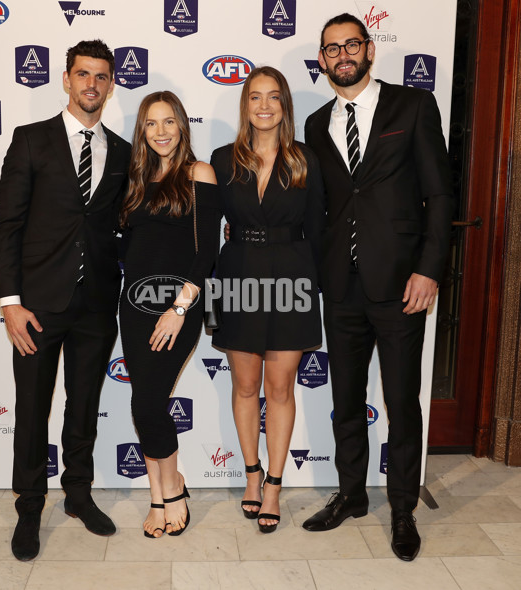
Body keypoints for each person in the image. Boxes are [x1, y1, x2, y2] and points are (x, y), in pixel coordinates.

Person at [302, 14, 454, 561]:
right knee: (345, 400)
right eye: (331, 48)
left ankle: (403, 509)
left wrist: (429, 268)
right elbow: (325, 208)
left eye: (351, 45)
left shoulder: (412, 106)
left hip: (401, 285)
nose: (342, 54)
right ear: (322, 60)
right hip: (340, 287)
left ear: (369, 49)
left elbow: (439, 194)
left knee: (400, 402)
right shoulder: (317, 125)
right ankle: (350, 494)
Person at [0, 40, 131, 561]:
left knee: (85, 404)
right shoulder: (31, 141)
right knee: (31, 408)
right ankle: (30, 507)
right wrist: (10, 301)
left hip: (96, 305)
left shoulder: (120, 151)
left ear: (111, 84)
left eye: (101, 76)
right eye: (83, 74)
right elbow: (7, 227)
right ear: (67, 80)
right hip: (36, 307)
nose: (92, 84)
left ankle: (78, 493)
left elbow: (122, 226)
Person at [211, 67, 325, 534]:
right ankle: (251, 475)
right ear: (245, 105)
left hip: (293, 276)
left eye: (273, 97)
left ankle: (275, 484)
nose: (263, 105)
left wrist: (319, 288)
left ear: (284, 106)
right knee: (243, 386)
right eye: (255, 97)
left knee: (279, 388)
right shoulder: (222, 159)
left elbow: (320, 228)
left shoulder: (305, 160)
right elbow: (202, 225)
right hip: (236, 275)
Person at [119, 91, 220, 538]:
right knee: (144, 402)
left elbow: (207, 250)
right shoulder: (135, 180)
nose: (160, 132)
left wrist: (180, 307)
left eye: (168, 122)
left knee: (148, 401)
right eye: (151, 124)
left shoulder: (199, 173)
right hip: (133, 306)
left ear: (182, 125)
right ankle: (159, 493)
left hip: (178, 306)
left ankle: (174, 488)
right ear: (142, 131)